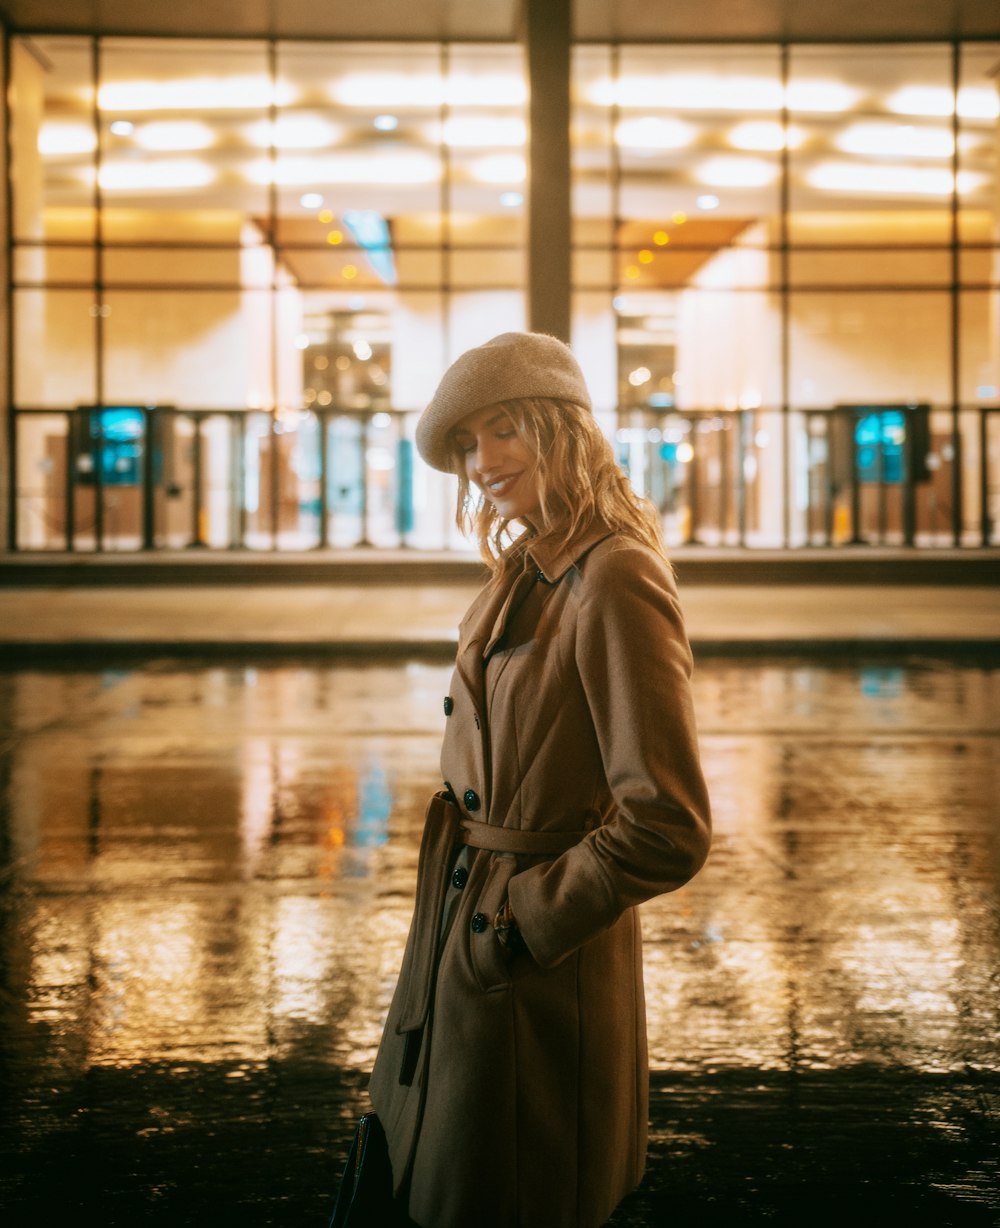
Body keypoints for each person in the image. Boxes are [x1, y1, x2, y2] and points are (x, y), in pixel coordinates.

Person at [369, 331, 711, 1228]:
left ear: (564, 432)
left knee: (516, 1191)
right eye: (471, 443)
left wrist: (514, 928)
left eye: (506, 431)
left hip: (532, 961)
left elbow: (664, 825)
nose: (484, 462)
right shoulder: (528, 566)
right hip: (470, 934)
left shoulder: (614, 577)